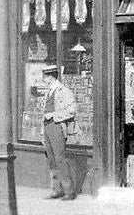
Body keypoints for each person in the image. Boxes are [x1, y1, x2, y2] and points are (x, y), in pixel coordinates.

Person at [40, 66, 78, 201]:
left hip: (57, 127)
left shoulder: (64, 91)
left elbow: (72, 110)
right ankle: (57, 190)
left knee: (60, 159)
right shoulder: (48, 92)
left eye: (45, 76)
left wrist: (54, 115)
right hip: (47, 127)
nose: (43, 79)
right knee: (51, 160)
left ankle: (69, 191)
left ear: (51, 76)